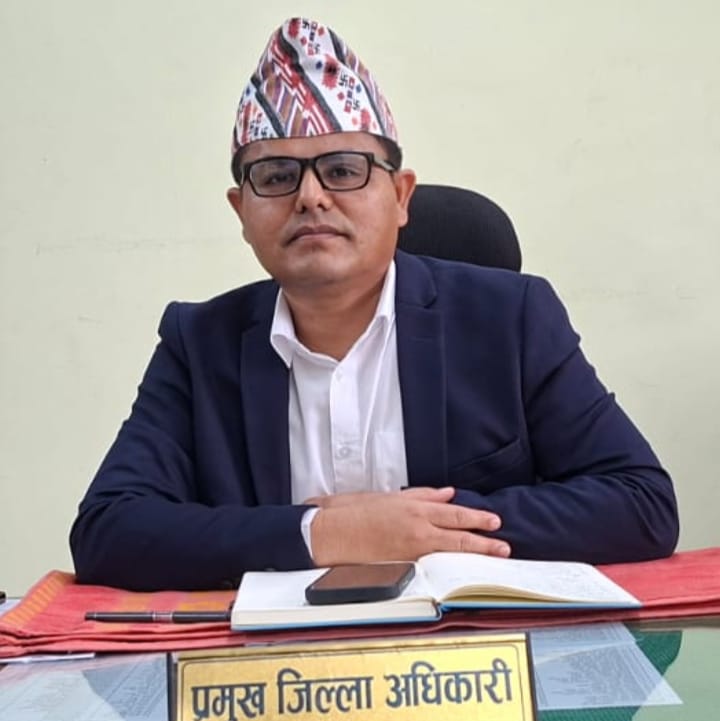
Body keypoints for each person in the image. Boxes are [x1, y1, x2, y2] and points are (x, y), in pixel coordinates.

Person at [70, 17, 678, 591]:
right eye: (277, 176)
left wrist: (417, 530)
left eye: (343, 170)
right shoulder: (199, 344)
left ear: (401, 196)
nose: (311, 197)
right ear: (241, 211)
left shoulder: (511, 317)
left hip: (474, 655)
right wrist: (325, 533)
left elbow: (641, 502)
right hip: (277, 663)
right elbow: (108, 530)